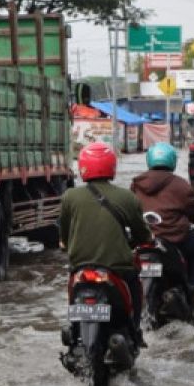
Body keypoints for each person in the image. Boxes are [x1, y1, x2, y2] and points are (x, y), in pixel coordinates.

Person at [58, 142, 153, 343]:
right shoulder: (127, 197)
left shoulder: (70, 197)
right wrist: (137, 242)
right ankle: (135, 332)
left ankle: (74, 332)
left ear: (83, 166)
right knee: (135, 286)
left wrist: (65, 244)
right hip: (117, 269)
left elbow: (64, 235)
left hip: (80, 268)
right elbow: (142, 234)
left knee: (72, 289)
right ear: (112, 166)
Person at [131, 143, 194, 303]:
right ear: (172, 161)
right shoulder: (181, 185)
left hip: (144, 240)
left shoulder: (136, 184)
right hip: (173, 241)